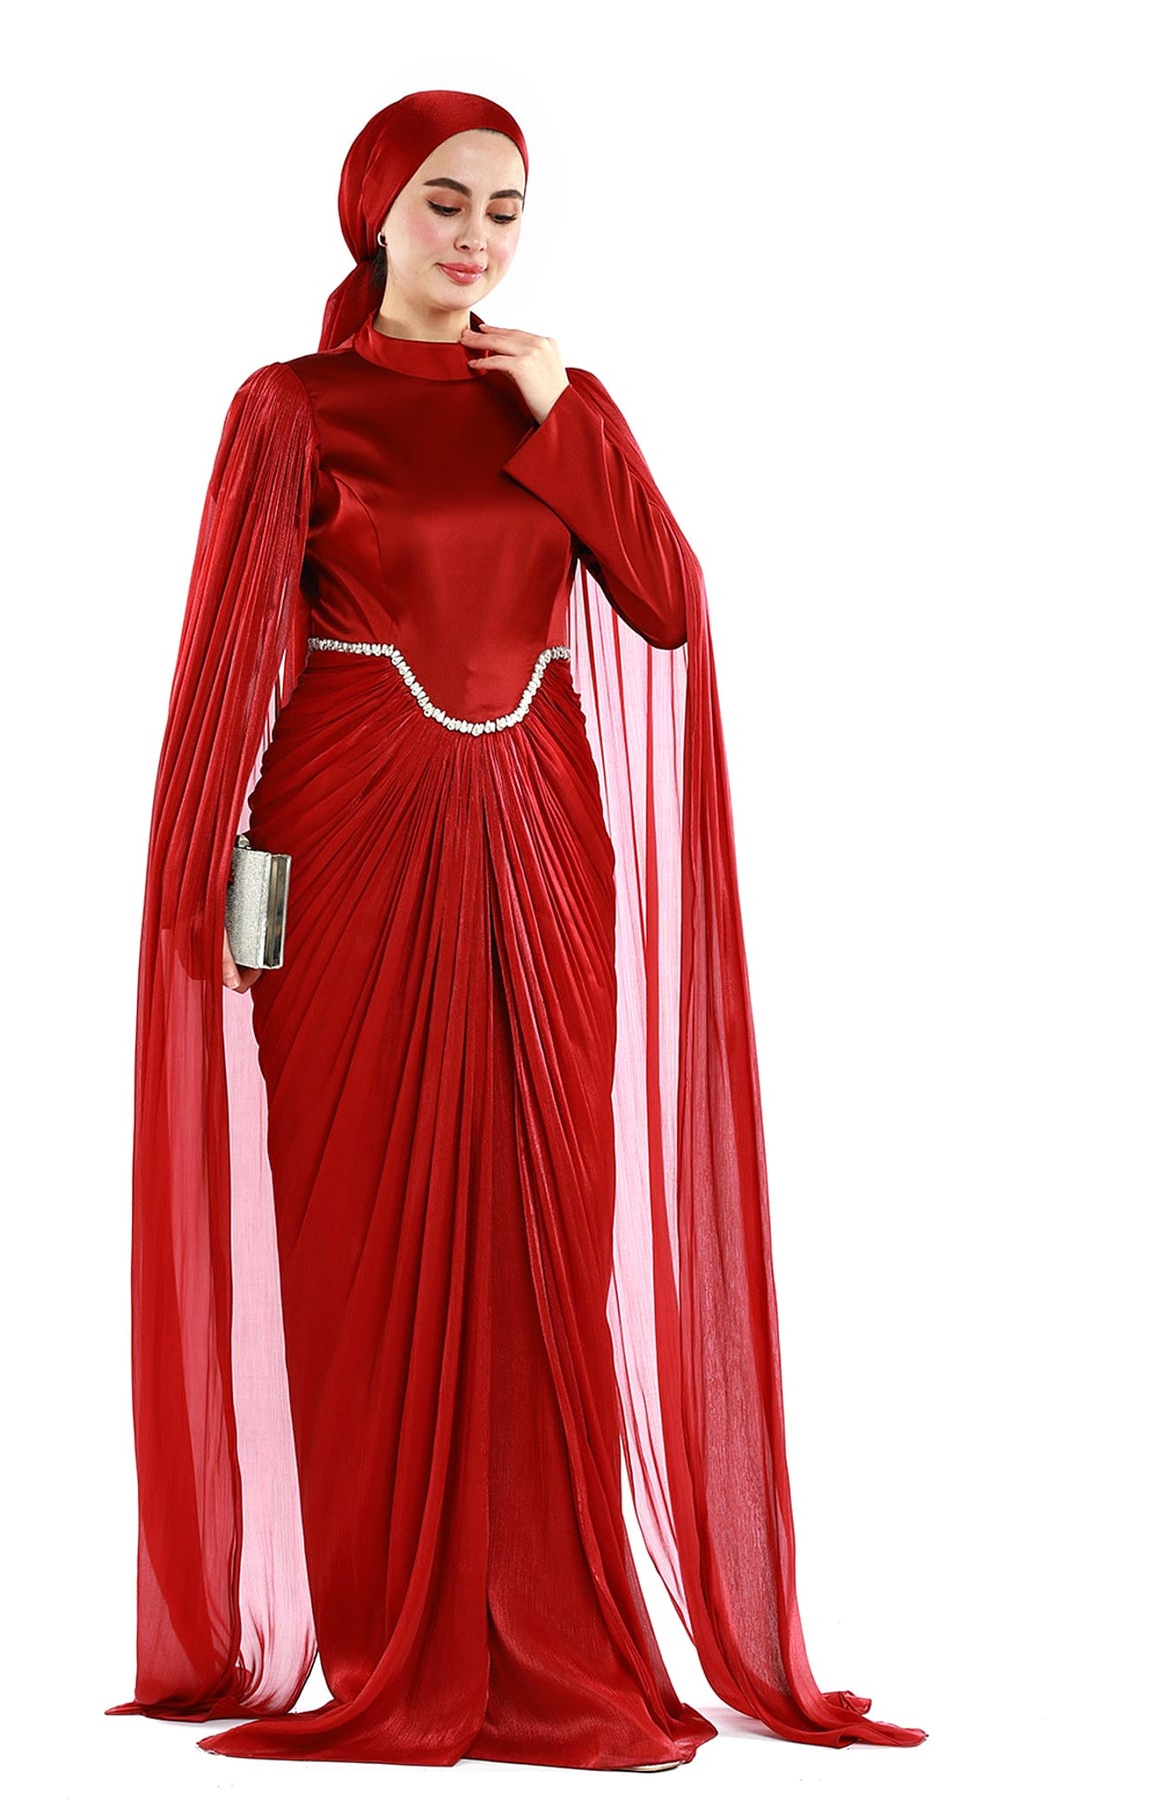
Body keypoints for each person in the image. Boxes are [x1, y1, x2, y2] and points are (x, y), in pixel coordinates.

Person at [104, 89, 926, 1771]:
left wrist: (565, 415)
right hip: (347, 838)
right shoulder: (288, 408)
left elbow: (668, 605)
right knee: (354, 1238)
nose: (475, 237)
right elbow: (227, 661)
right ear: (373, 214)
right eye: (444, 201)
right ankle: (388, 1643)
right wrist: (211, 886)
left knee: (551, 1221)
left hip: (544, 838)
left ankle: (550, 1632)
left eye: (505, 209)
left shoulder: (561, 400)